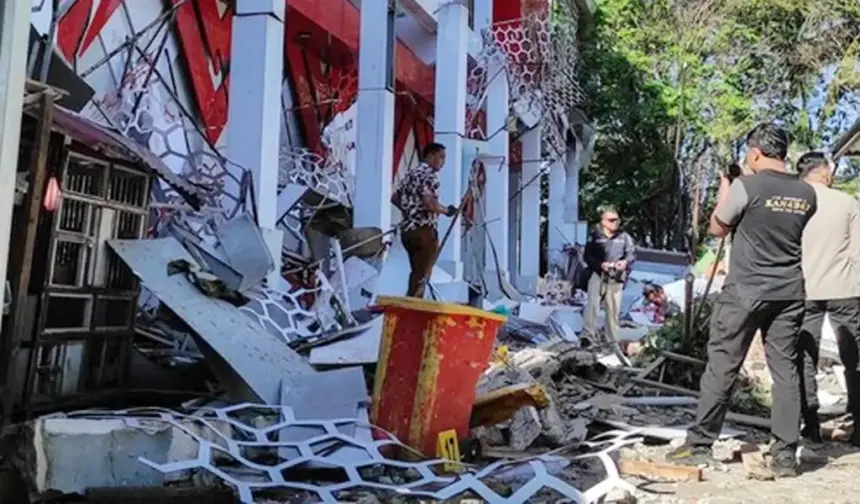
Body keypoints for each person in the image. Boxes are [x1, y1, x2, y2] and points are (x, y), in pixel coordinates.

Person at [666, 123, 817, 477]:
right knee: (785, 371)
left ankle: (700, 444)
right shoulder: (807, 193)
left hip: (745, 291)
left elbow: (717, 228)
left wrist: (726, 190)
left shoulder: (746, 187)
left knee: (723, 366)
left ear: (755, 152)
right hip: (789, 291)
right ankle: (785, 455)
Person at [796, 152, 860, 445]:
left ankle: (810, 424)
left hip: (804, 289)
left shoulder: (796, 202)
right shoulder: (847, 203)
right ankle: (859, 428)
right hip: (844, 289)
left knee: (804, 358)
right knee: (854, 359)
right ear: (825, 172)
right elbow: (857, 252)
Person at [391, 143, 457, 298]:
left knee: (416, 271)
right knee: (422, 274)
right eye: (441, 157)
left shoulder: (411, 174)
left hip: (407, 231)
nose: (443, 162)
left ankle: (411, 301)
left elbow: (395, 198)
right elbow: (429, 203)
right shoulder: (429, 175)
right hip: (424, 230)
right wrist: (446, 211)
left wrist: (409, 211)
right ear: (431, 155)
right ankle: (412, 304)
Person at [582, 206, 636, 347]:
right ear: (603, 221)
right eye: (611, 220)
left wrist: (624, 262)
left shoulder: (624, 237)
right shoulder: (595, 236)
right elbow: (587, 256)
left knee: (613, 310)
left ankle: (612, 340)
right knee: (592, 306)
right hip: (598, 274)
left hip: (616, 277)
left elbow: (631, 255)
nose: (615, 223)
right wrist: (600, 265)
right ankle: (587, 337)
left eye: (617, 220)